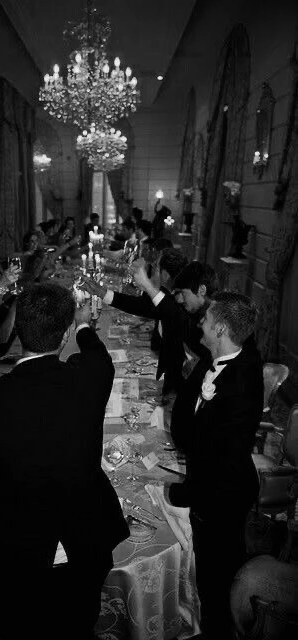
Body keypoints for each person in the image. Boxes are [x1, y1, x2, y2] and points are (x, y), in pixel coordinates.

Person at [0, 285, 129, 640]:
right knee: (78, 627)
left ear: (18, 332)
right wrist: (83, 324)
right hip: (82, 548)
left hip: (12, 562)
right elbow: (99, 355)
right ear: (64, 336)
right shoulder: (90, 377)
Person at [167, 291, 264, 640]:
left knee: (215, 580)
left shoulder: (241, 384)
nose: (200, 326)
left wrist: (179, 494)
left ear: (221, 329)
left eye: (206, 322)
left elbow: (217, 460)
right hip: (210, 481)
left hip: (222, 496)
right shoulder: (223, 352)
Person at [82, 248, 190, 398]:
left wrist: (146, 284)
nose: (152, 270)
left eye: (156, 267)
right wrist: (101, 292)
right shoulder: (167, 297)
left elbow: (169, 312)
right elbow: (140, 306)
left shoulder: (181, 304)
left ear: (165, 275)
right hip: (167, 382)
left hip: (180, 389)